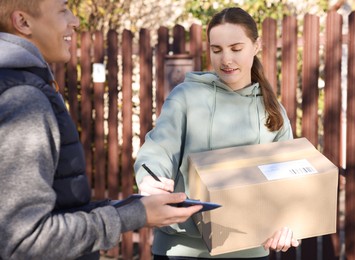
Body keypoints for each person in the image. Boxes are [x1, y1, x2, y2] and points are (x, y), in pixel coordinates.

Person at [0, 0, 203, 259]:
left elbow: (57, 211)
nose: (75, 21)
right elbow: (23, 241)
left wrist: (133, 208)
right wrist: (133, 215)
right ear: (23, 22)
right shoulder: (23, 99)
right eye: (63, 10)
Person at [134, 7, 300, 259]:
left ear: (256, 46)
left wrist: (288, 221)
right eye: (217, 50)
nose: (226, 60)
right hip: (180, 250)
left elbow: (288, 178)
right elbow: (159, 149)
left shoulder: (272, 109)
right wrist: (150, 180)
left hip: (249, 250)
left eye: (236, 49)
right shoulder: (186, 96)